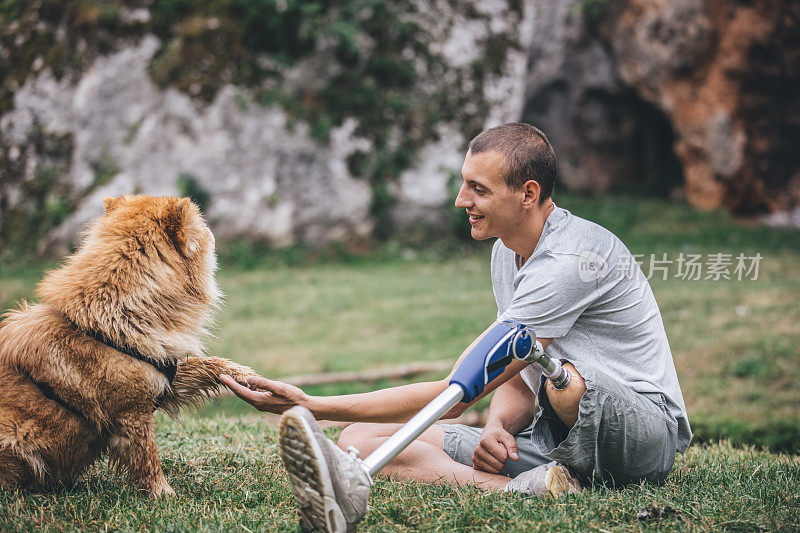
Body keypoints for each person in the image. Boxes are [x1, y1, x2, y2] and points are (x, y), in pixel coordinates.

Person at [221, 123, 692, 532]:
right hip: (556, 440)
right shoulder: (507, 252)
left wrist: (315, 404)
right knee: (356, 440)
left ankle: (543, 475)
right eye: (465, 184)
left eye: (478, 189)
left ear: (528, 194)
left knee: (566, 385)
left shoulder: (571, 259)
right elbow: (518, 371)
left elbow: (460, 389)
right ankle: (528, 491)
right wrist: (496, 426)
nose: (460, 200)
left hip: (641, 437)